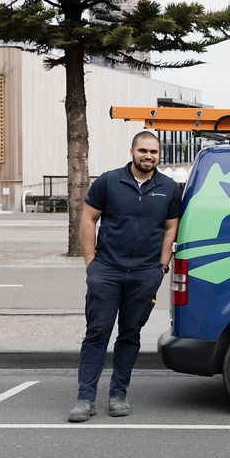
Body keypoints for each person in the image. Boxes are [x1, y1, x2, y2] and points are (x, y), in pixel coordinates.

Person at [68, 131, 182, 422]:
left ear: (159, 155)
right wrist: (91, 263)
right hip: (106, 270)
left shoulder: (168, 188)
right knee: (97, 333)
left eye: (154, 152)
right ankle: (85, 397)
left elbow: (171, 228)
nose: (148, 156)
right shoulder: (109, 181)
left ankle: (118, 394)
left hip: (145, 274)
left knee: (130, 334)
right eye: (143, 150)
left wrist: (162, 266)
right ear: (131, 151)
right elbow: (88, 218)